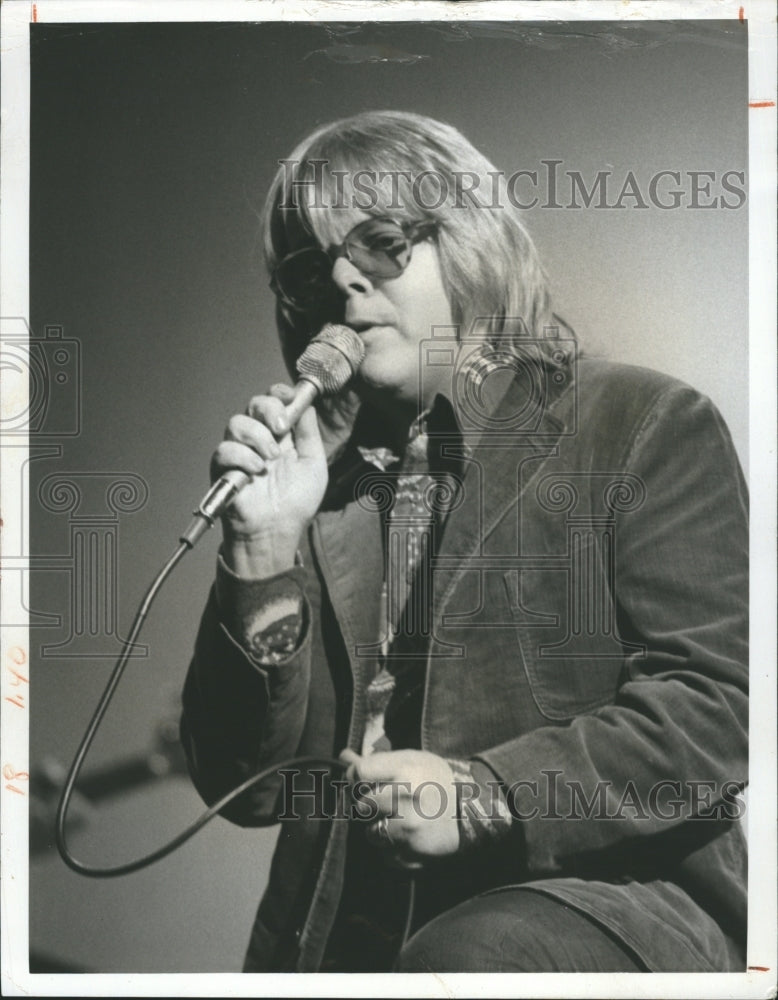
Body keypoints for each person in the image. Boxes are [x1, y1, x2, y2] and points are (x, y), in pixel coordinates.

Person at [180, 111, 748, 974]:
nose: (342, 279)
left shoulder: (642, 422)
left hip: (594, 913)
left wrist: (485, 797)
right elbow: (236, 782)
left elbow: (715, 712)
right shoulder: (309, 489)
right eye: (309, 267)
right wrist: (259, 552)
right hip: (344, 940)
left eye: (378, 243)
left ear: (470, 241)